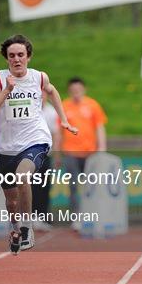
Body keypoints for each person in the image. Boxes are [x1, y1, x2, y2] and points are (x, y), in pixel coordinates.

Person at [0, 34, 77, 255]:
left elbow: (52, 91)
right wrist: (7, 90)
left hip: (36, 140)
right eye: (12, 56)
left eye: (21, 55)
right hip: (6, 148)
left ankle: (26, 228)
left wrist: (63, 119)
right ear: (6, 58)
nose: (16, 59)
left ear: (28, 57)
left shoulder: (39, 77)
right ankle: (16, 227)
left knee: (23, 176)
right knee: (11, 202)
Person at [55, 77, 107, 231]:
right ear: (69, 91)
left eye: (79, 90)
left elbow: (99, 128)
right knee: (73, 186)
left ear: (84, 89)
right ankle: (76, 217)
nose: (76, 93)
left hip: (90, 152)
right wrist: (57, 154)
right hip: (70, 152)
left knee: (92, 185)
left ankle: (92, 214)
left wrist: (102, 148)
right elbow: (58, 133)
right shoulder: (63, 106)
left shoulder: (92, 105)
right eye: (73, 90)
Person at [30, 93, 58, 232]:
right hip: (28, 155)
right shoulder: (28, 109)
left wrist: (56, 153)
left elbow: (56, 134)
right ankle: (27, 217)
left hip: (45, 155)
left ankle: (42, 217)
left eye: (43, 95)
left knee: (44, 187)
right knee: (28, 186)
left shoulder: (51, 112)